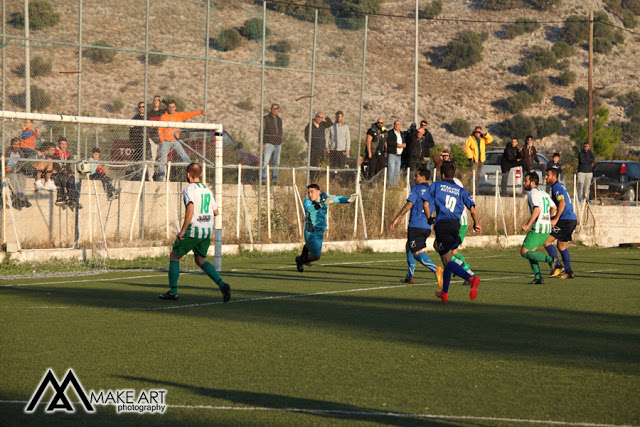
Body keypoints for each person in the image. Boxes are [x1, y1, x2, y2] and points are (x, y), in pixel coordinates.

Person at [159, 162, 231, 302]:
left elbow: (190, 209)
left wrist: (182, 231)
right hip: (206, 231)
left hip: (194, 229)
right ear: (201, 174)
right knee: (200, 259)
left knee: (174, 256)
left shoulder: (188, 189)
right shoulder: (207, 190)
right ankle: (222, 284)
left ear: (188, 175)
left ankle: (173, 292)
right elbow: (216, 212)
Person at [421, 162, 482, 303]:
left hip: (443, 224)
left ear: (442, 175)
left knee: (447, 261)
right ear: (454, 175)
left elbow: (425, 204)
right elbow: (473, 209)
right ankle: (445, 292)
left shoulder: (436, 185)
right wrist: (476, 224)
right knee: (447, 257)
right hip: (456, 225)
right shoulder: (461, 190)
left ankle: (471, 278)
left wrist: (429, 218)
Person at [388, 167, 443, 286]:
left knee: (416, 253)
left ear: (423, 178)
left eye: (416, 176)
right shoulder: (433, 191)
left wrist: (396, 219)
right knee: (409, 246)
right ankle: (410, 276)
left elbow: (409, 205)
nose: (414, 178)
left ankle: (436, 269)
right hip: (427, 227)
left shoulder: (417, 188)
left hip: (416, 225)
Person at [295, 184, 357, 272]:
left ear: (318, 192)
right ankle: (300, 260)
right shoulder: (307, 201)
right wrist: (322, 203)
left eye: (312, 192)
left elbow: (337, 199)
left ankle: (303, 257)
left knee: (308, 245)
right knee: (316, 257)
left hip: (320, 231)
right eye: (308, 193)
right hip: (311, 232)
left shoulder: (324, 197)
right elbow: (310, 209)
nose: (310, 195)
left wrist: (348, 200)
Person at [520, 172, 558, 285]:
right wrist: (548, 219)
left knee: (524, 252)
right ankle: (538, 277)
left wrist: (527, 224)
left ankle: (551, 260)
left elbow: (537, 209)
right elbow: (554, 207)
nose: (523, 183)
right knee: (531, 252)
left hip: (538, 227)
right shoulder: (544, 193)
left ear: (532, 183)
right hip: (546, 227)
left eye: (525, 181)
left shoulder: (532, 193)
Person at [156, 100, 206, 181]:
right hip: (165, 141)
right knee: (163, 159)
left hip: (175, 141)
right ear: (167, 108)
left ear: (175, 108)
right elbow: (160, 129)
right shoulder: (163, 117)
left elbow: (190, 114)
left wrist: (200, 112)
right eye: (170, 107)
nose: (171, 109)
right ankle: (162, 177)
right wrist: (162, 140)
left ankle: (193, 173)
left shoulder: (179, 115)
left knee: (184, 156)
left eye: (173, 107)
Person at [543, 168, 577, 279]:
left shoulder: (557, 187)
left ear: (554, 176)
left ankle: (558, 266)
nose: (546, 177)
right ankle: (569, 272)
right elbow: (557, 205)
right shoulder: (560, 186)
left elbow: (562, 202)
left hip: (565, 220)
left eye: (548, 175)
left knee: (547, 241)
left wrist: (555, 219)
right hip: (571, 219)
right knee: (561, 246)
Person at [53, 137, 81, 208]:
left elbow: (68, 166)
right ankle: (62, 197)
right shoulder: (55, 153)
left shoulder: (67, 154)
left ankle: (72, 199)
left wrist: (71, 172)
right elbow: (55, 165)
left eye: (65, 144)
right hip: (57, 172)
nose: (63, 146)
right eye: (62, 144)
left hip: (64, 173)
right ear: (59, 144)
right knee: (63, 178)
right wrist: (63, 171)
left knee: (72, 178)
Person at [304, 112, 333, 181]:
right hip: (313, 150)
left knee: (320, 166)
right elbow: (306, 137)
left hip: (321, 149)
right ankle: (312, 180)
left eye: (321, 117)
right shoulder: (310, 126)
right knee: (313, 166)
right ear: (315, 117)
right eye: (318, 117)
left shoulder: (322, 124)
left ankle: (318, 180)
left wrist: (325, 116)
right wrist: (313, 144)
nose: (320, 119)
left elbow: (330, 123)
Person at [4, 138, 31, 208]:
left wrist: (14, 168)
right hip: (7, 171)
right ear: (11, 145)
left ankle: (19, 198)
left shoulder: (20, 153)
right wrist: (6, 168)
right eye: (14, 144)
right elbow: (3, 164)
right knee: (13, 177)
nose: (16, 146)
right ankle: (22, 198)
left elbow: (20, 164)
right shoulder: (7, 151)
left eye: (18, 144)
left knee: (22, 177)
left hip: (15, 170)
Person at [261, 103, 283, 185]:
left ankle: (274, 179)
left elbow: (281, 130)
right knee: (265, 162)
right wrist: (262, 143)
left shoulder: (279, 120)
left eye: (276, 108)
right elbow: (262, 130)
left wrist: (281, 140)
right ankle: (263, 179)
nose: (275, 110)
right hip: (268, 143)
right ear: (271, 109)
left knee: (276, 163)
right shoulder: (266, 118)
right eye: (273, 108)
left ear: (278, 110)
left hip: (278, 144)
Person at [146, 95, 166, 180]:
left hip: (162, 138)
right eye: (155, 100)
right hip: (153, 138)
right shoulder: (149, 113)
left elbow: (173, 108)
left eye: (158, 100)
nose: (156, 102)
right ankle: (150, 175)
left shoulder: (163, 112)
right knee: (152, 157)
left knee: (163, 157)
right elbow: (147, 126)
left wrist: (163, 101)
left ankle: (163, 176)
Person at [385, 120, 405, 187]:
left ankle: (396, 186)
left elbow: (404, 142)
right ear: (394, 125)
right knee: (391, 171)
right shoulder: (390, 132)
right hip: (392, 154)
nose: (397, 125)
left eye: (398, 124)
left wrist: (403, 145)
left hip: (399, 156)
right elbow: (388, 141)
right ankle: (390, 186)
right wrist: (396, 145)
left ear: (400, 125)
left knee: (397, 172)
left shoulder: (401, 133)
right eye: (396, 124)